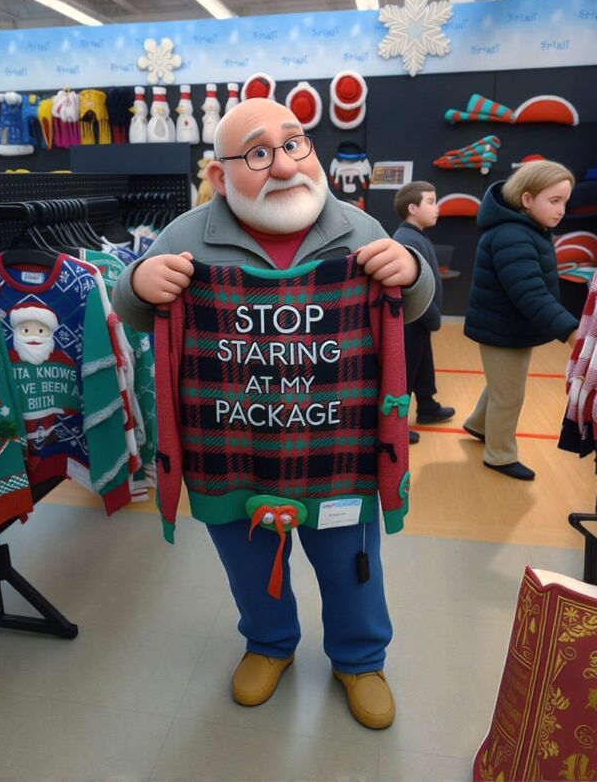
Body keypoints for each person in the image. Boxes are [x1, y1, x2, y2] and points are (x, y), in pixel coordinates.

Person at [112, 97, 434, 729]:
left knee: (352, 567)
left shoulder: (360, 228)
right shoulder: (185, 235)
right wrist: (137, 285)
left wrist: (414, 269)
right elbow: (133, 307)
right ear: (218, 174)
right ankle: (268, 643)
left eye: (294, 144)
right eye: (258, 153)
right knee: (250, 564)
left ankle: (360, 659)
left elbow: (413, 307)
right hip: (230, 455)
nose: (284, 165)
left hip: (338, 455)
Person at [463, 160, 579, 480]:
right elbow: (530, 293)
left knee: (503, 384)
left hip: (509, 326)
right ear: (527, 199)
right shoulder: (512, 235)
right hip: (502, 328)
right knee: (509, 394)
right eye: (554, 201)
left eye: (565, 202)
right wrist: (571, 331)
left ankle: (478, 424)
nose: (561, 210)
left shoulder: (527, 229)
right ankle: (499, 455)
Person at [393, 181, 455, 444]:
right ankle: (395, 424)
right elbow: (409, 285)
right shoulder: (406, 240)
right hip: (412, 319)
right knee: (405, 372)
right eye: (431, 202)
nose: (437, 207)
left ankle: (427, 405)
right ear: (412, 208)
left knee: (422, 364)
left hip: (421, 319)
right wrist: (431, 316)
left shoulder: (417, 236)